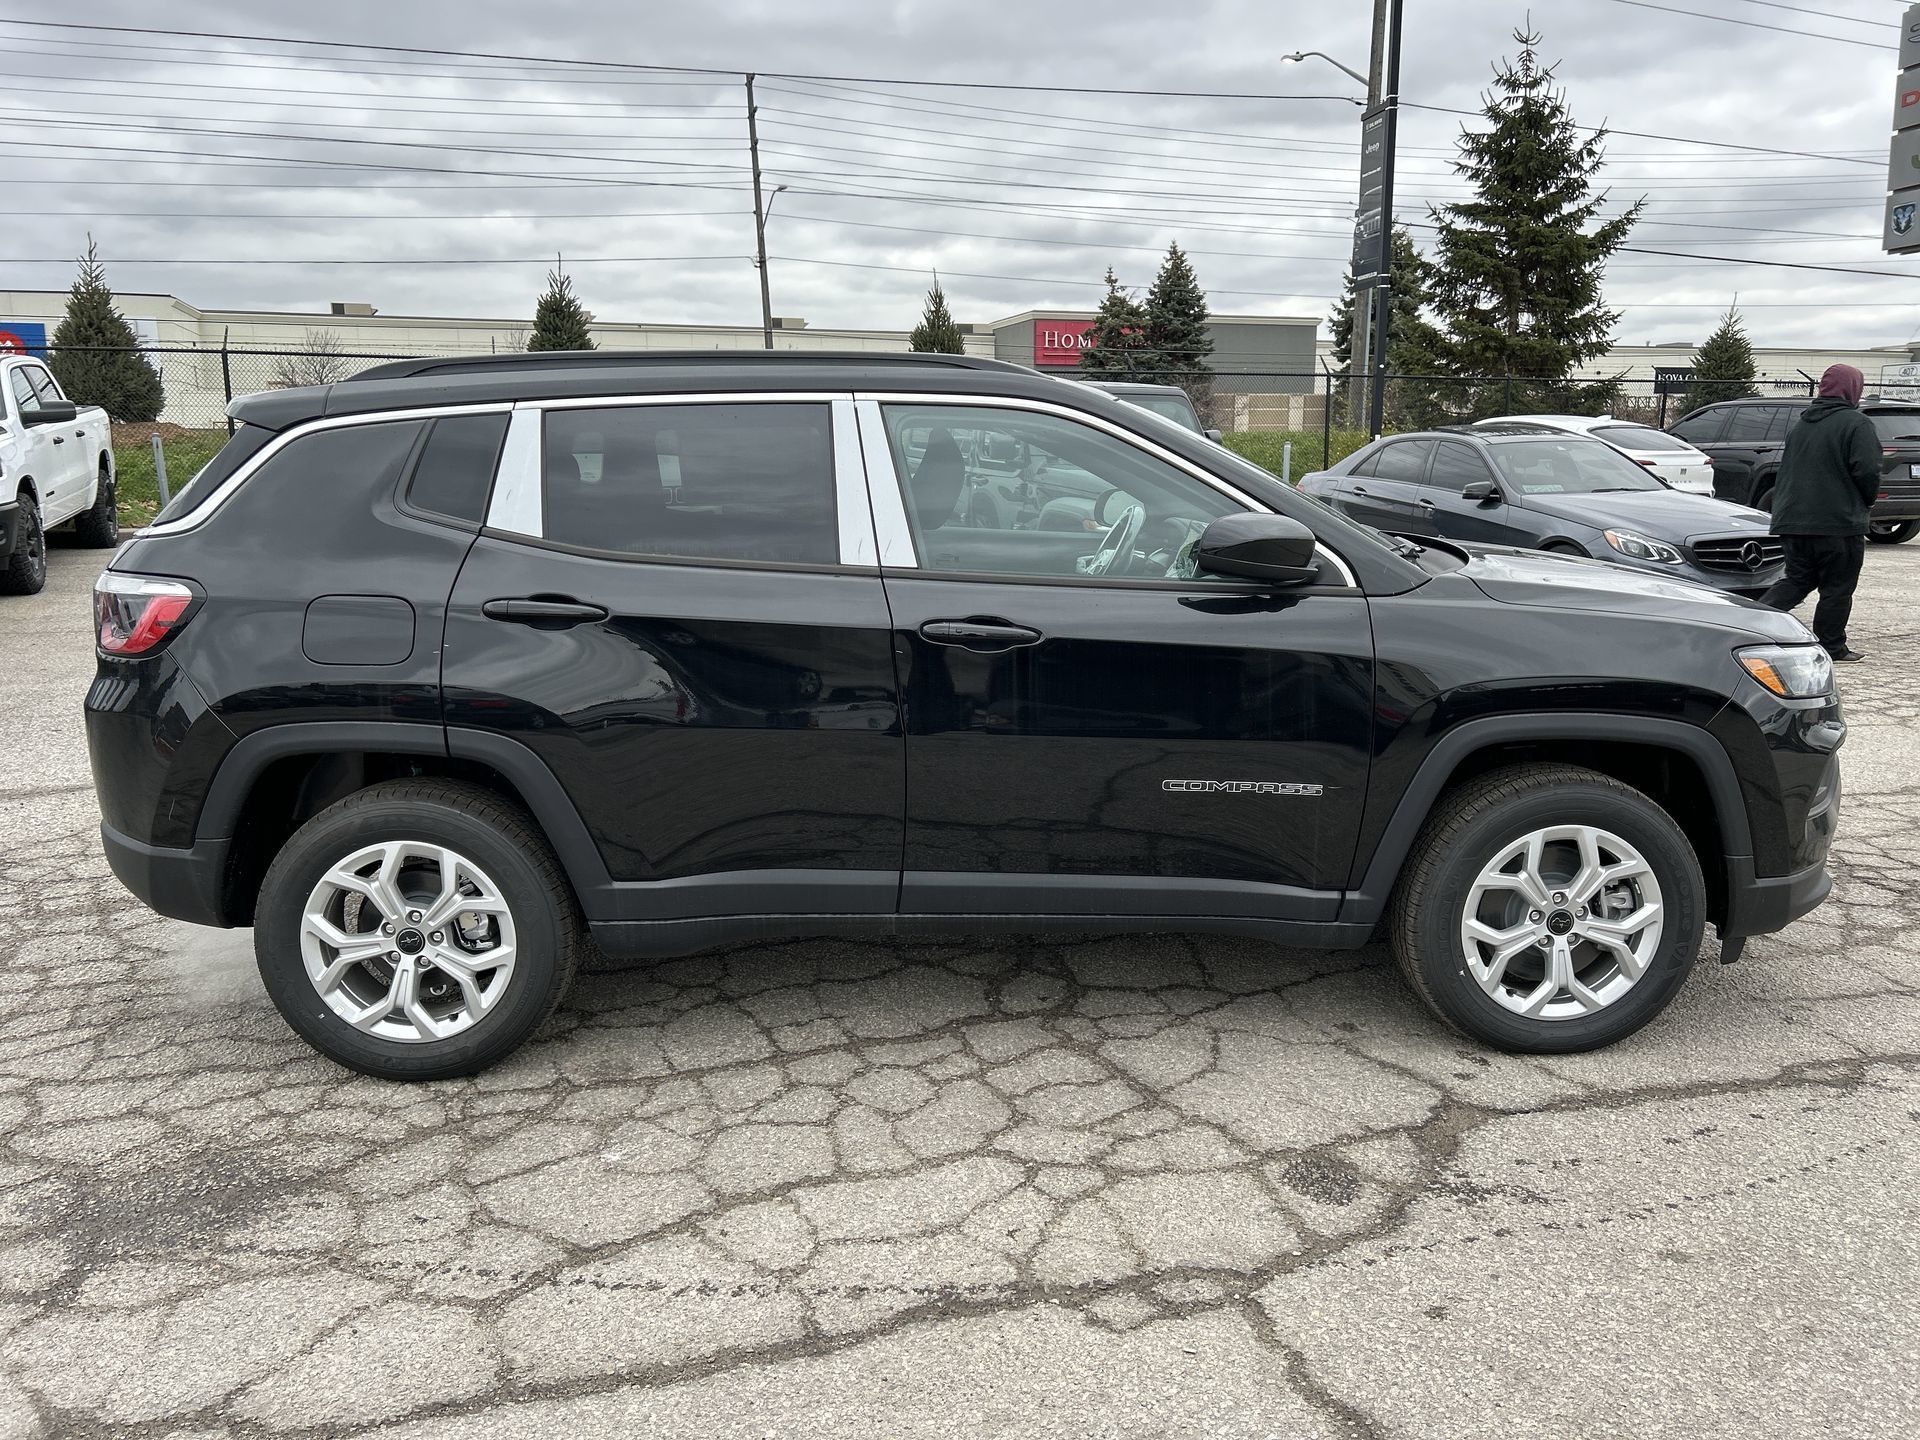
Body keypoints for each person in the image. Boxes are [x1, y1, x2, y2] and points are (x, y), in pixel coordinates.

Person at [1759, 363, 1879, 662]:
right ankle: (1832, 646)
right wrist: (1868, 501)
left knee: (1797, 580)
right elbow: (1867, 470)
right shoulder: (1856, 423)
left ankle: (1752, 624)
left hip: (1792, 520)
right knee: (1837, 587)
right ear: (1853, 388)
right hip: (1837, 522)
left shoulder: (1801, 424)